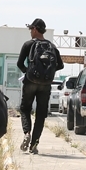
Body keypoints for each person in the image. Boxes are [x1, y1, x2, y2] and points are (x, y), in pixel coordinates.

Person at [16, 18, 64, 154]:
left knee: (25, 109)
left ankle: (26, 133)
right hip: (46, 85)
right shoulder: (52, 47)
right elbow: (60, 65)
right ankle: (34, 144)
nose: (30, 31)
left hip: (30, 82)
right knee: (41, 114)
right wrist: (47, 73)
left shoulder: (28, 44)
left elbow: (20, 63)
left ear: (35, 29)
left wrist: (29, 72)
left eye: (31, 29)